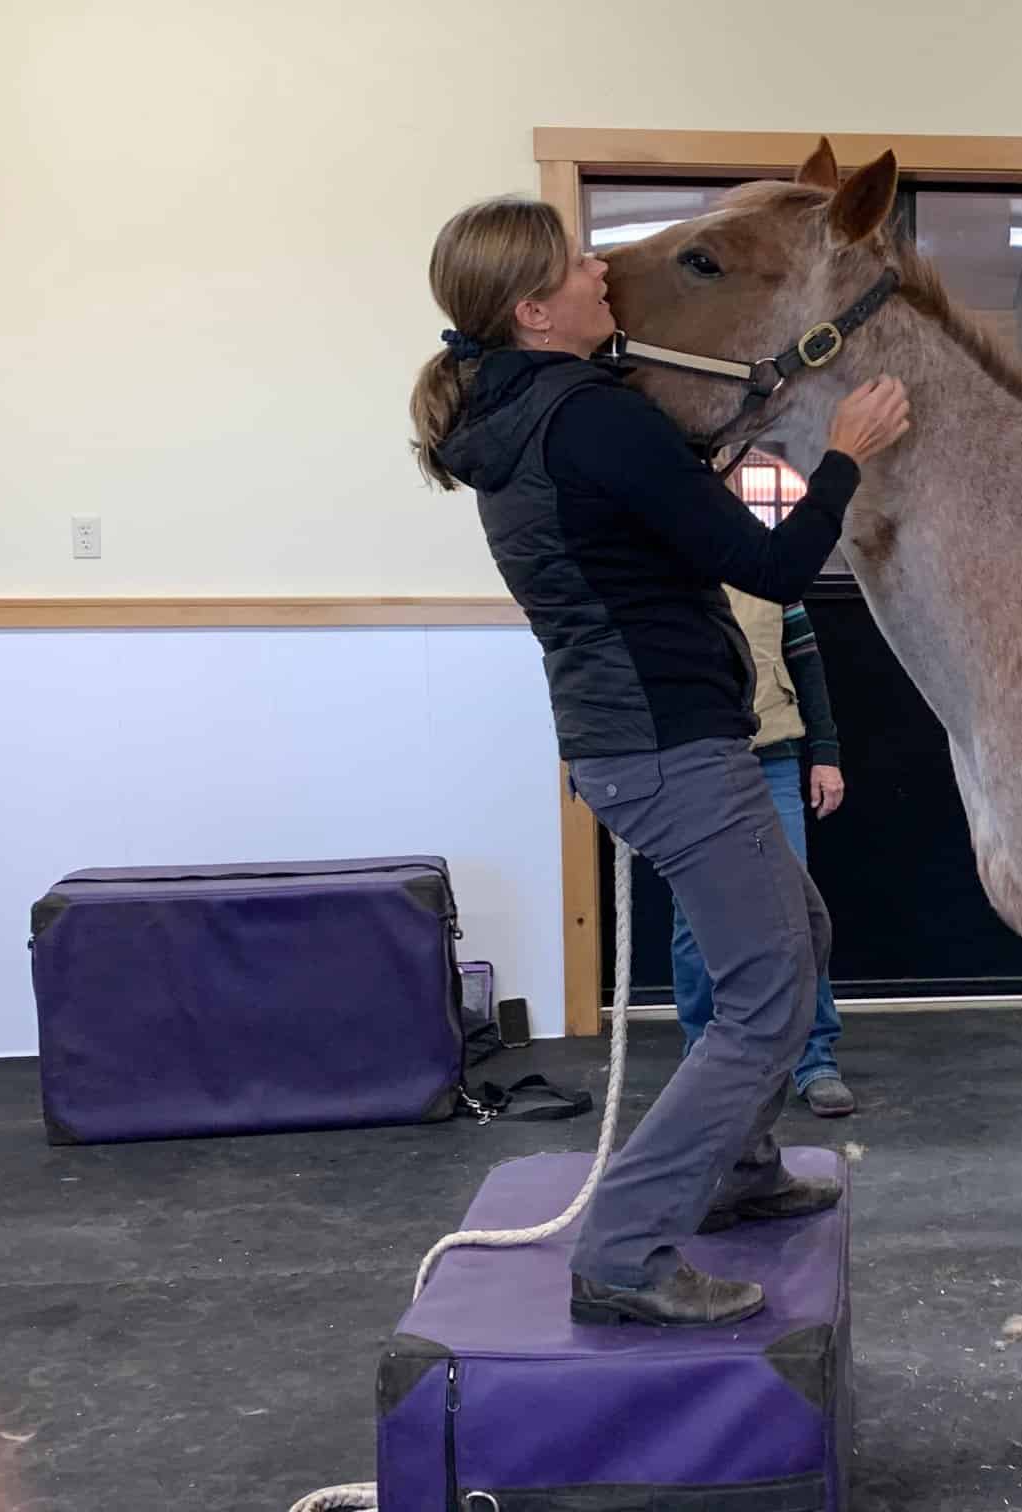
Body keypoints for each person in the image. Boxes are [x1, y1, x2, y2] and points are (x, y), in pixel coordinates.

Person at [408, 196, 910, 1327]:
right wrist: (843, 458)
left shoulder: (526, 412)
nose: (601, 273)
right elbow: (770, 568)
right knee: (769, 998)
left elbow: (671, 519)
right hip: (671, 746)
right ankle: (626, 1250)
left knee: (798, 941)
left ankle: (736, 1173)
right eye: (576, 265)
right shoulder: (591, 418)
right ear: (535, 309)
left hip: (630, 743)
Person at [671, 588, 856, 1116]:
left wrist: (825, 753)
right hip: (692, 764)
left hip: (772, 757)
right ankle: (701, 1060)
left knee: (795, 915)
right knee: (695, 922)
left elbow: (808, 667)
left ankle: (814, 1057)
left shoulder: (764, 567)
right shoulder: (656, 561)